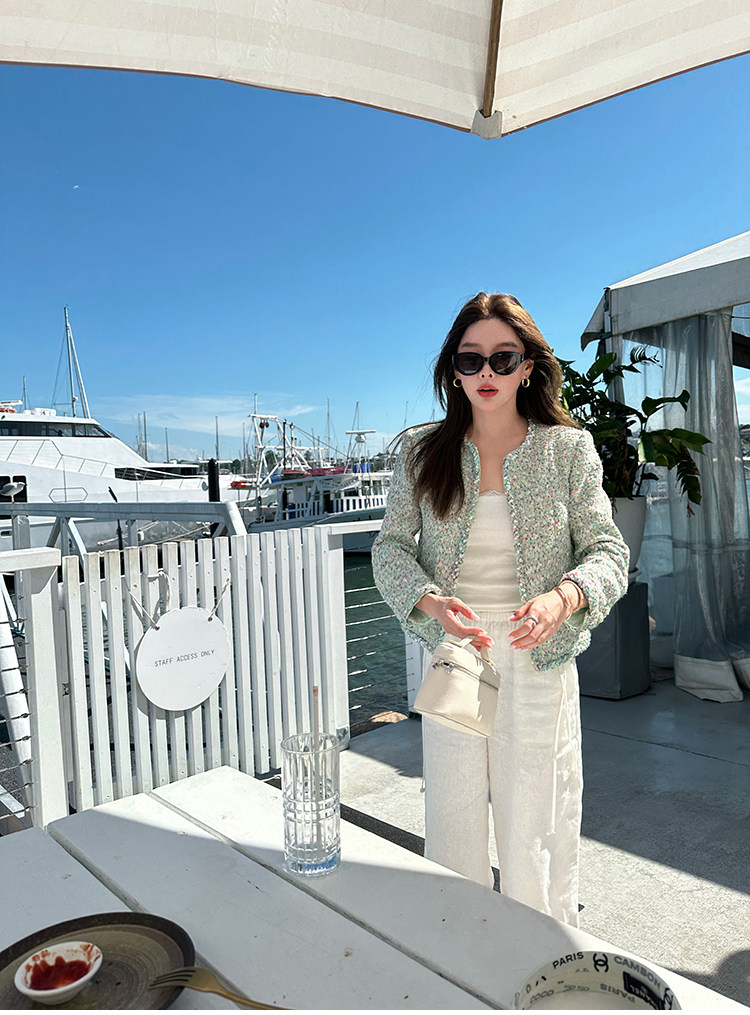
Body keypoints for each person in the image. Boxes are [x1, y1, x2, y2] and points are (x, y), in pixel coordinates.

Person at [372, 292, 629, 927]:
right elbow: (390, 548)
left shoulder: (567, 450)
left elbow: (608, 551)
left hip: (538, 654)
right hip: (457, 655)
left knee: (536, 822)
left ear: (528, 367)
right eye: (471, 359)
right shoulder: (422, 452)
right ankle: (459, 956)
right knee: (452, 821)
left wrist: (563, 598)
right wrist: (430, 600)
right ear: (454, 370)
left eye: (503, 358)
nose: (486, 372)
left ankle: (540, 953)